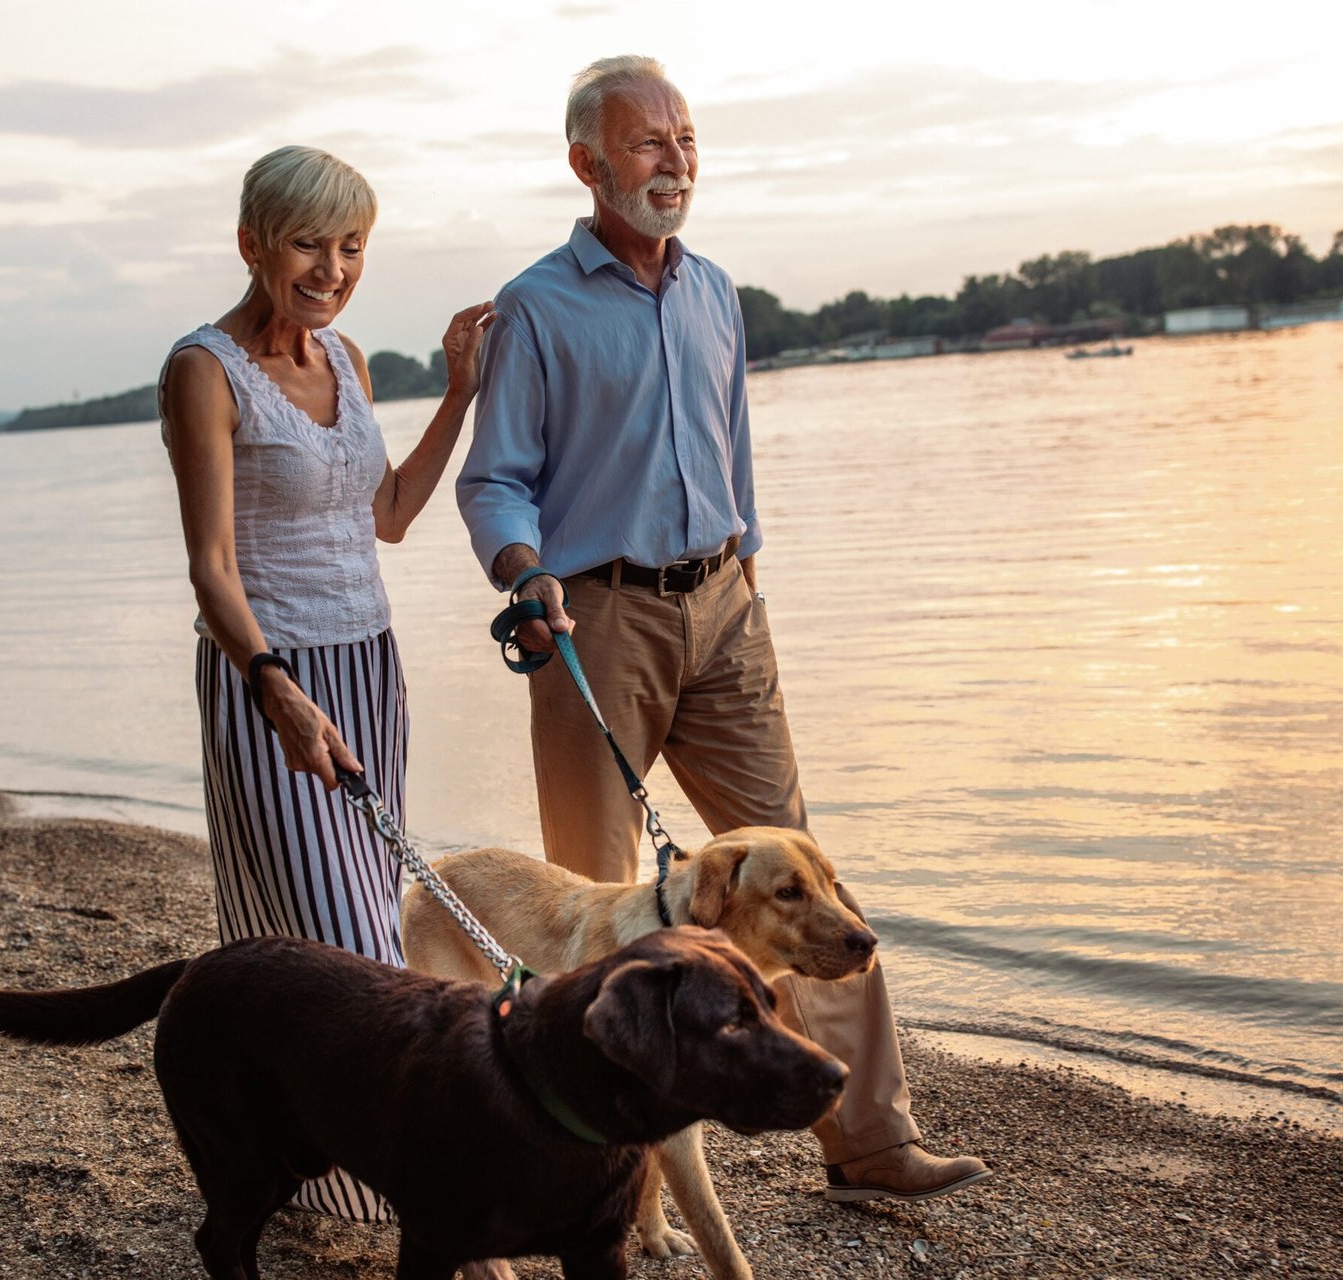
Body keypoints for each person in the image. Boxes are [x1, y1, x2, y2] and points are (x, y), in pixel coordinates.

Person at [456, 57, 992, 1205]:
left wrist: (747, 572)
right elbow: (494, 481)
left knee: (804, 879)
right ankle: (617, 1176)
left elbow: (734, 449)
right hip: (590, 618)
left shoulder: (715, 292)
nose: (675, 161)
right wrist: (525, 571)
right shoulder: (536, 308)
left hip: (726, 612)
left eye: (686, 139)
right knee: (599, 907)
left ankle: (870, 1135)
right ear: (586, 164)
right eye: (647, 144)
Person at [158, 145, 495, 1233]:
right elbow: (211, 565)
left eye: (351, 245)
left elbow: (388, 514)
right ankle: (425, 1186)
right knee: (346, 939)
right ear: (254, 240)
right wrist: (275, 689)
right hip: (273, 678)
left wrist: (456, 395)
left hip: (370, 667)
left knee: (355, 934)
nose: (332, 265)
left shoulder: (346, 356)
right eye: (310, 241)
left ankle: (301, 1163)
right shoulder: (203, 369)